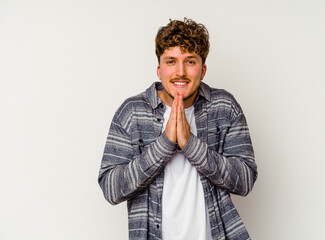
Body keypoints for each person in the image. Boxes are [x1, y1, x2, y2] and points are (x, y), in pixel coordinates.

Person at [98, 18, 258, 240]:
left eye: (190, 61)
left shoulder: (224, 106)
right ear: (159, 69)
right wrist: (165, 144)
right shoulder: (132, 112)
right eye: (171, 61)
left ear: (203, 70)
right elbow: (111, 188)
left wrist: (190, 144)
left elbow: (245, 180)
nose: (180, 72)